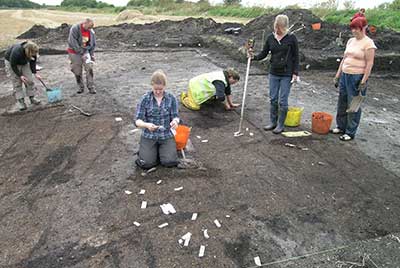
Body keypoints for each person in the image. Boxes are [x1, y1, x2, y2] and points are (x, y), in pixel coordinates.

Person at [248, 14, 299, 134]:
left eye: (280, 28)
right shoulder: (271, 37)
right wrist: (253, 57)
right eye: (276, 27)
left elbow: (296, 57)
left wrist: (295, 73)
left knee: (282, 101)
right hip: (274, 73)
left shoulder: (291, 38)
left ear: (285, 27)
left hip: (287, 73)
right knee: (273, 99)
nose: (278, 30)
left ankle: (280, 125)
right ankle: (273, 122)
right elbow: (264, 53)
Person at [332, 17, 376, 141]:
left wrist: (363, 81)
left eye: (357, 29)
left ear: (363, 28)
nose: (354, 31)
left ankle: (350, 132)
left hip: (357, 77)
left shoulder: (369, 44)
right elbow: (344, 59)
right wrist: (337, 75)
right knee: (342, 101)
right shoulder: (351, 41)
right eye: (352, 29)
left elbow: (370, 63)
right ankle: (341, 126)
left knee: (353, 104)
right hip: (345, 74)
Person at [135, 70, 180, 169]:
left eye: (161, 89)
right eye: (156, 89)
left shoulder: (171, 98)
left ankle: (160, 150)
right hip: (149, 135)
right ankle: (148, 151)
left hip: (166, 134)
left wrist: (175, 121)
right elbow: (138, 121)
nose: (158, 91)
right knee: (146, 164)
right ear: (152, 85)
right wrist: (146, 125)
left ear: (165, 86)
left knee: (170, 162)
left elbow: (176, 116)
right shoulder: (145, 99)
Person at [4, 41, 42, 111]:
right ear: (29, 51)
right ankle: (21, 102)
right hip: (12, 63)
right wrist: (20, 75)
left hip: (24, 62)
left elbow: (33, 62)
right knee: (17, 82)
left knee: (29, 80)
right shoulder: (17, 51)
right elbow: (13, 65)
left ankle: (32, 98)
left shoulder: (33, 51)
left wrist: (35, 73)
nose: (34, 54)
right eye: (33, 53)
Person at [67, 18, 96, 94]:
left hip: (85, 51)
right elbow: (73, 42)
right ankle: (80, 87)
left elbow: (93, 44)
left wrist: (91, 54)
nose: (90, 29)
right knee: (77, 71)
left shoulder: (91, 31)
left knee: (89, 68)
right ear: (84, 23)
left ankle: (91, 87)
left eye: (91, 27)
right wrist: (81, 53)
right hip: (74, 52)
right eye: (89, 27)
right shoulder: (75, 28)